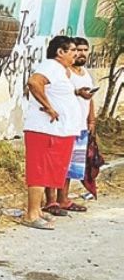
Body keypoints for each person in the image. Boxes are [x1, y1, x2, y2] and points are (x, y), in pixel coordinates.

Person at [21, 35, 83, 230]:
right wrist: (48, 107)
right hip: (45, 129)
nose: (76, 54)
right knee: (39, 170)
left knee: (49, 170)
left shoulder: (62, 71)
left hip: (59, 131)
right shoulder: (50, 66)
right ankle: (31, 214)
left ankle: (38, 210)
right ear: (60, 52)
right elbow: (34, 83)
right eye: (72, 50)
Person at [43, 37, 96, 215]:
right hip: (63, 126)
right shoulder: (63, 72)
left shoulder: (85, 73)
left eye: (83, 50)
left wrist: (91, 121)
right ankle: (51, 201)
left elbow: (90, 101)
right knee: (56, 163)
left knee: (70, 166)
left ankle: (63, 199)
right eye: (76, 50)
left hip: (80, 126)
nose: (79, 53)